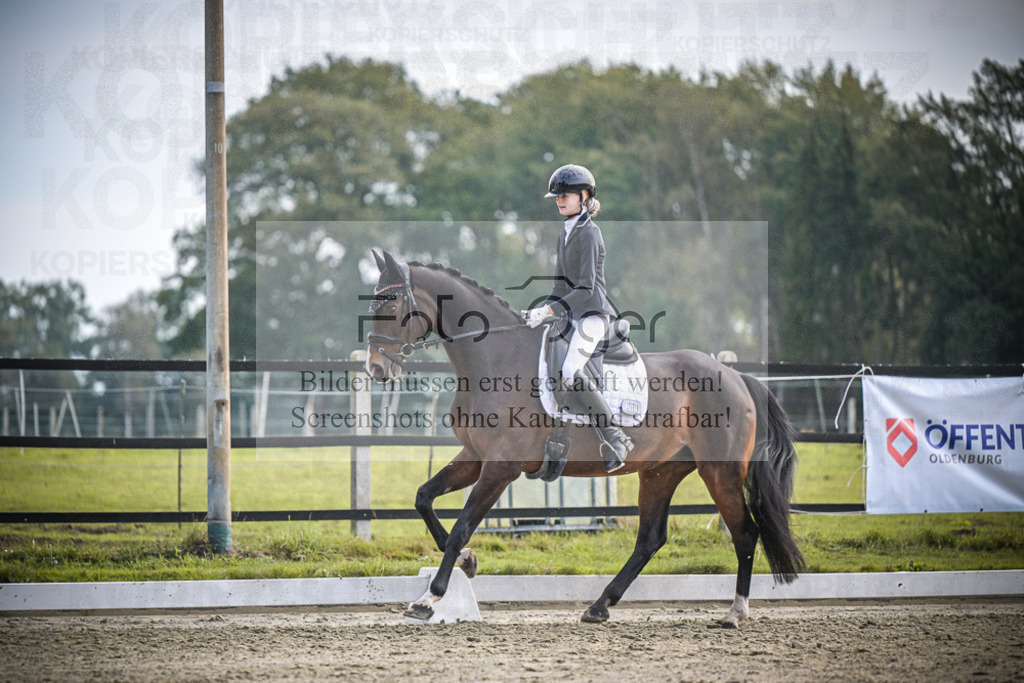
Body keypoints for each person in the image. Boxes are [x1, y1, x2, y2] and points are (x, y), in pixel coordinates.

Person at [521, 164, 633, 472]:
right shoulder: (565, 233)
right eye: (557, 196)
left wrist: (550, 310)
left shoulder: (590, 233)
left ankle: (616, 437)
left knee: (570, 369)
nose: (560, 201)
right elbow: (560, 286)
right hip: (571, 314)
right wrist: (539, 311)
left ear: (584, 197)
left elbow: (585, 288)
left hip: (594, 315)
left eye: (566, 195)